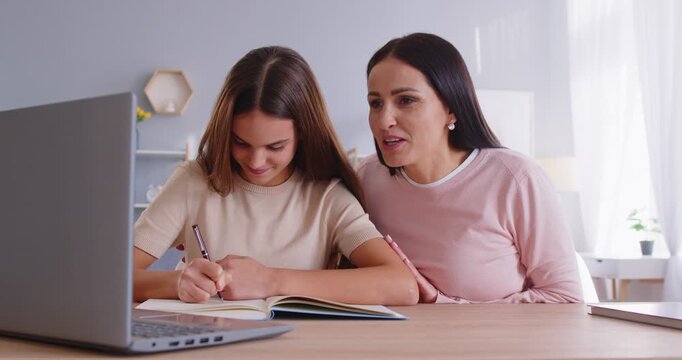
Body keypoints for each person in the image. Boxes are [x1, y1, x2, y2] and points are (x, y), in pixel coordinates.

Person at [133, 46, 417, 305]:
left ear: (303, 135)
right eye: (240, 142)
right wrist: (177, 282)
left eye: (275, 146)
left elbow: (402, 286)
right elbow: (111, 278)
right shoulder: (193, 181)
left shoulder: (327, 197)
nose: (255, 161)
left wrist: (271, 280)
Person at [357, 33, 583, 303]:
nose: (384, 121)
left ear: (451, 108)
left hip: (491, 345)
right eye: (376, 103)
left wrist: (444, 304)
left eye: (406, 100)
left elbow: (565, 297)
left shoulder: (516, 179)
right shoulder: (366, 177)